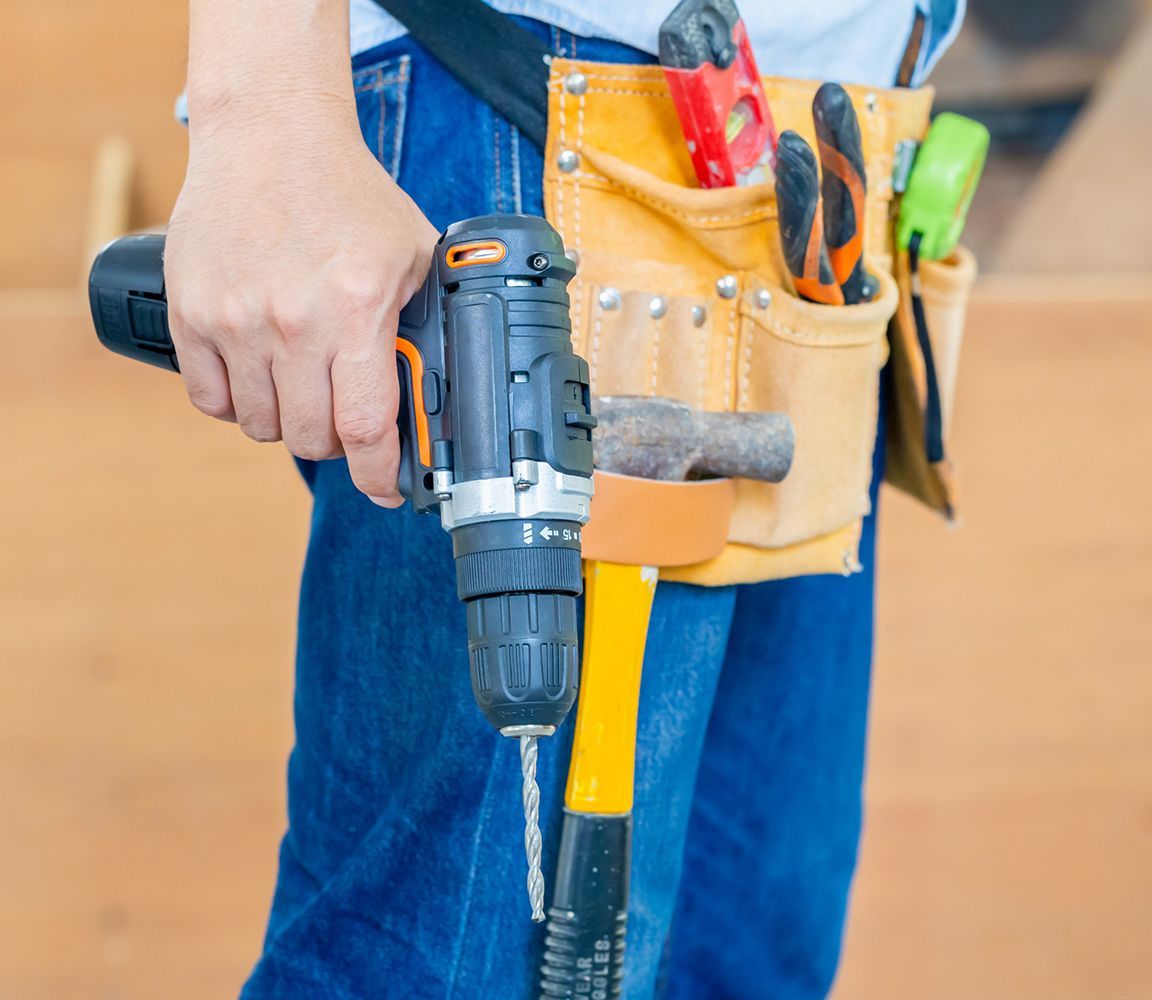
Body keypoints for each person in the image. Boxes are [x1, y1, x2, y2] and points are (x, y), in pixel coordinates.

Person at [167, 1, 962, 997]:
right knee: (444, 968)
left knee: (747, 959)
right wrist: (263, 109)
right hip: (532, 113)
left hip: (817, 164)